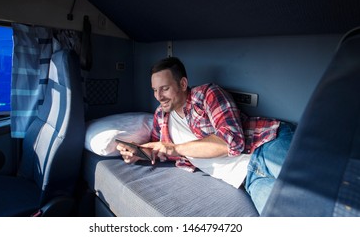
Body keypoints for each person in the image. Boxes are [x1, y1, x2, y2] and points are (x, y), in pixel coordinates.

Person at [116, 56, 295, 214]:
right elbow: (158, 149)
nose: (158, 96)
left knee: (316, 183)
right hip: (248, 179)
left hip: (266, 146)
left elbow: (230, 142)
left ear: (183, 84)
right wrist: (136, 153)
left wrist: (174, 148)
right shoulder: (161, 116)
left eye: (164, 88)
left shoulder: (207, 94)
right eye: (155, 90)